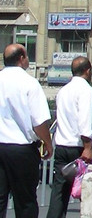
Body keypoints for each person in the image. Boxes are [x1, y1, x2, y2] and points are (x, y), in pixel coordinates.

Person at [0, 43, 52, 218]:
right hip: (21, 149)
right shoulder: (29, 83)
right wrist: (48, 143)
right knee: (25, 201)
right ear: (21, 59)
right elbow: (39, 121)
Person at [47, 56, 92, 218]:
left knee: (59, 193)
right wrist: (88, 147)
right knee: (86, 191)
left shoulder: (63, 90)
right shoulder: (86, 90)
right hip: (79, 148)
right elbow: (85, 120)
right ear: (88, 71)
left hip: (62, 145)